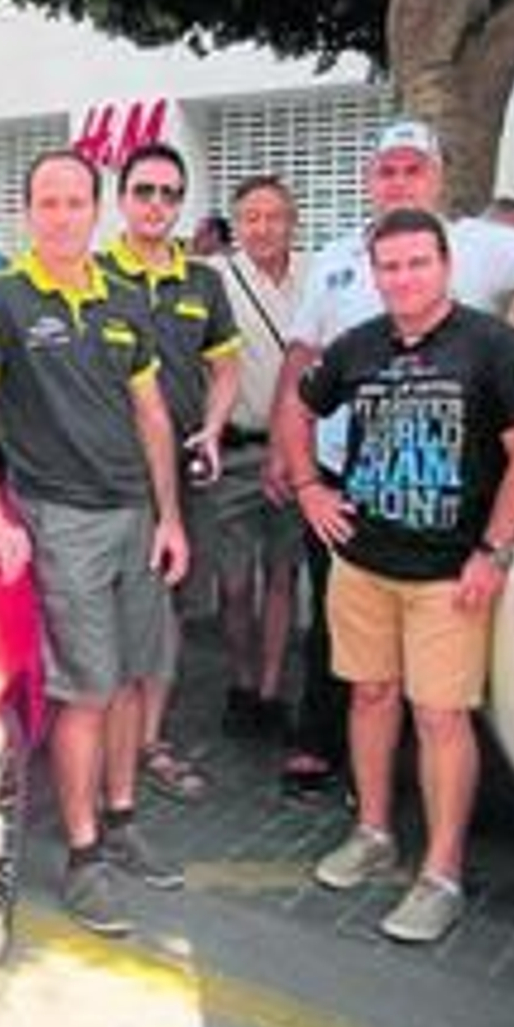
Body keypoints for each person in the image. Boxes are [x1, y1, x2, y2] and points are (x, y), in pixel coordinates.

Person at [271, 117, 514, 802]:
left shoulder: (478, 244)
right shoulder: (335, 257)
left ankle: (419, 783)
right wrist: (297, 470)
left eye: (413, 169)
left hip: (447, 488)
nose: (399, 182)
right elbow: (301, 360)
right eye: (386, 170)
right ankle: (333, 755)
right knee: (339, 629)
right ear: (368, 179)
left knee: (436, 670)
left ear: (438, 178)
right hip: (344, 478)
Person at [276, 207, 514, 944]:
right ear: (374, 273)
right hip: (364, 562)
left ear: (445, 266)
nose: (402, 279)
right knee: (370, 696)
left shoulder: (491, 346)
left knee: (439, 717)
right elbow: (299, 409)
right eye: (389, 267)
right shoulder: (358, 346)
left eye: (417, 263)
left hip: (447, 574)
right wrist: (309, 488)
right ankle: (373, 832)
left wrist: (495, 551)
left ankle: (442, 874)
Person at [0, 148, 190, 937]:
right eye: (47, 203)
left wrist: (170, 518)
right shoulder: (0, 300)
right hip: (62, 522)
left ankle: (121, 819)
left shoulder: (123, 299)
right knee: (86, 691)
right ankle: (84, 858)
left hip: (136, 520)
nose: (61, 216)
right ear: (28, 213)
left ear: (96, 210)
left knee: (132, 680)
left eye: (75, 202)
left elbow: (152, 414)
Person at [98, 142, 241, 801]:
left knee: (168, 609)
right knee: (102, 605)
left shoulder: (204, 282)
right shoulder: (92, 275)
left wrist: (212, 428)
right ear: (122, 199)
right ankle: (101, 738)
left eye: (169, 194)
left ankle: (149, 740)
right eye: (144, 191)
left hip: (181, 473)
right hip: (106, 474)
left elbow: (227, 369)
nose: (156, 204)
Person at [206, 175, 308, 740]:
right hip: (236, 451)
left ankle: (269, 690)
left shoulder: (317, 276)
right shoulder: (214, 280)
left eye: (274, 216)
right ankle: (241, 682)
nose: (263, 228)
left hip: (296, 453)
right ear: (237, 225)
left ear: (292, 221)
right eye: (251, 217)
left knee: (283, 576)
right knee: (235, 583)